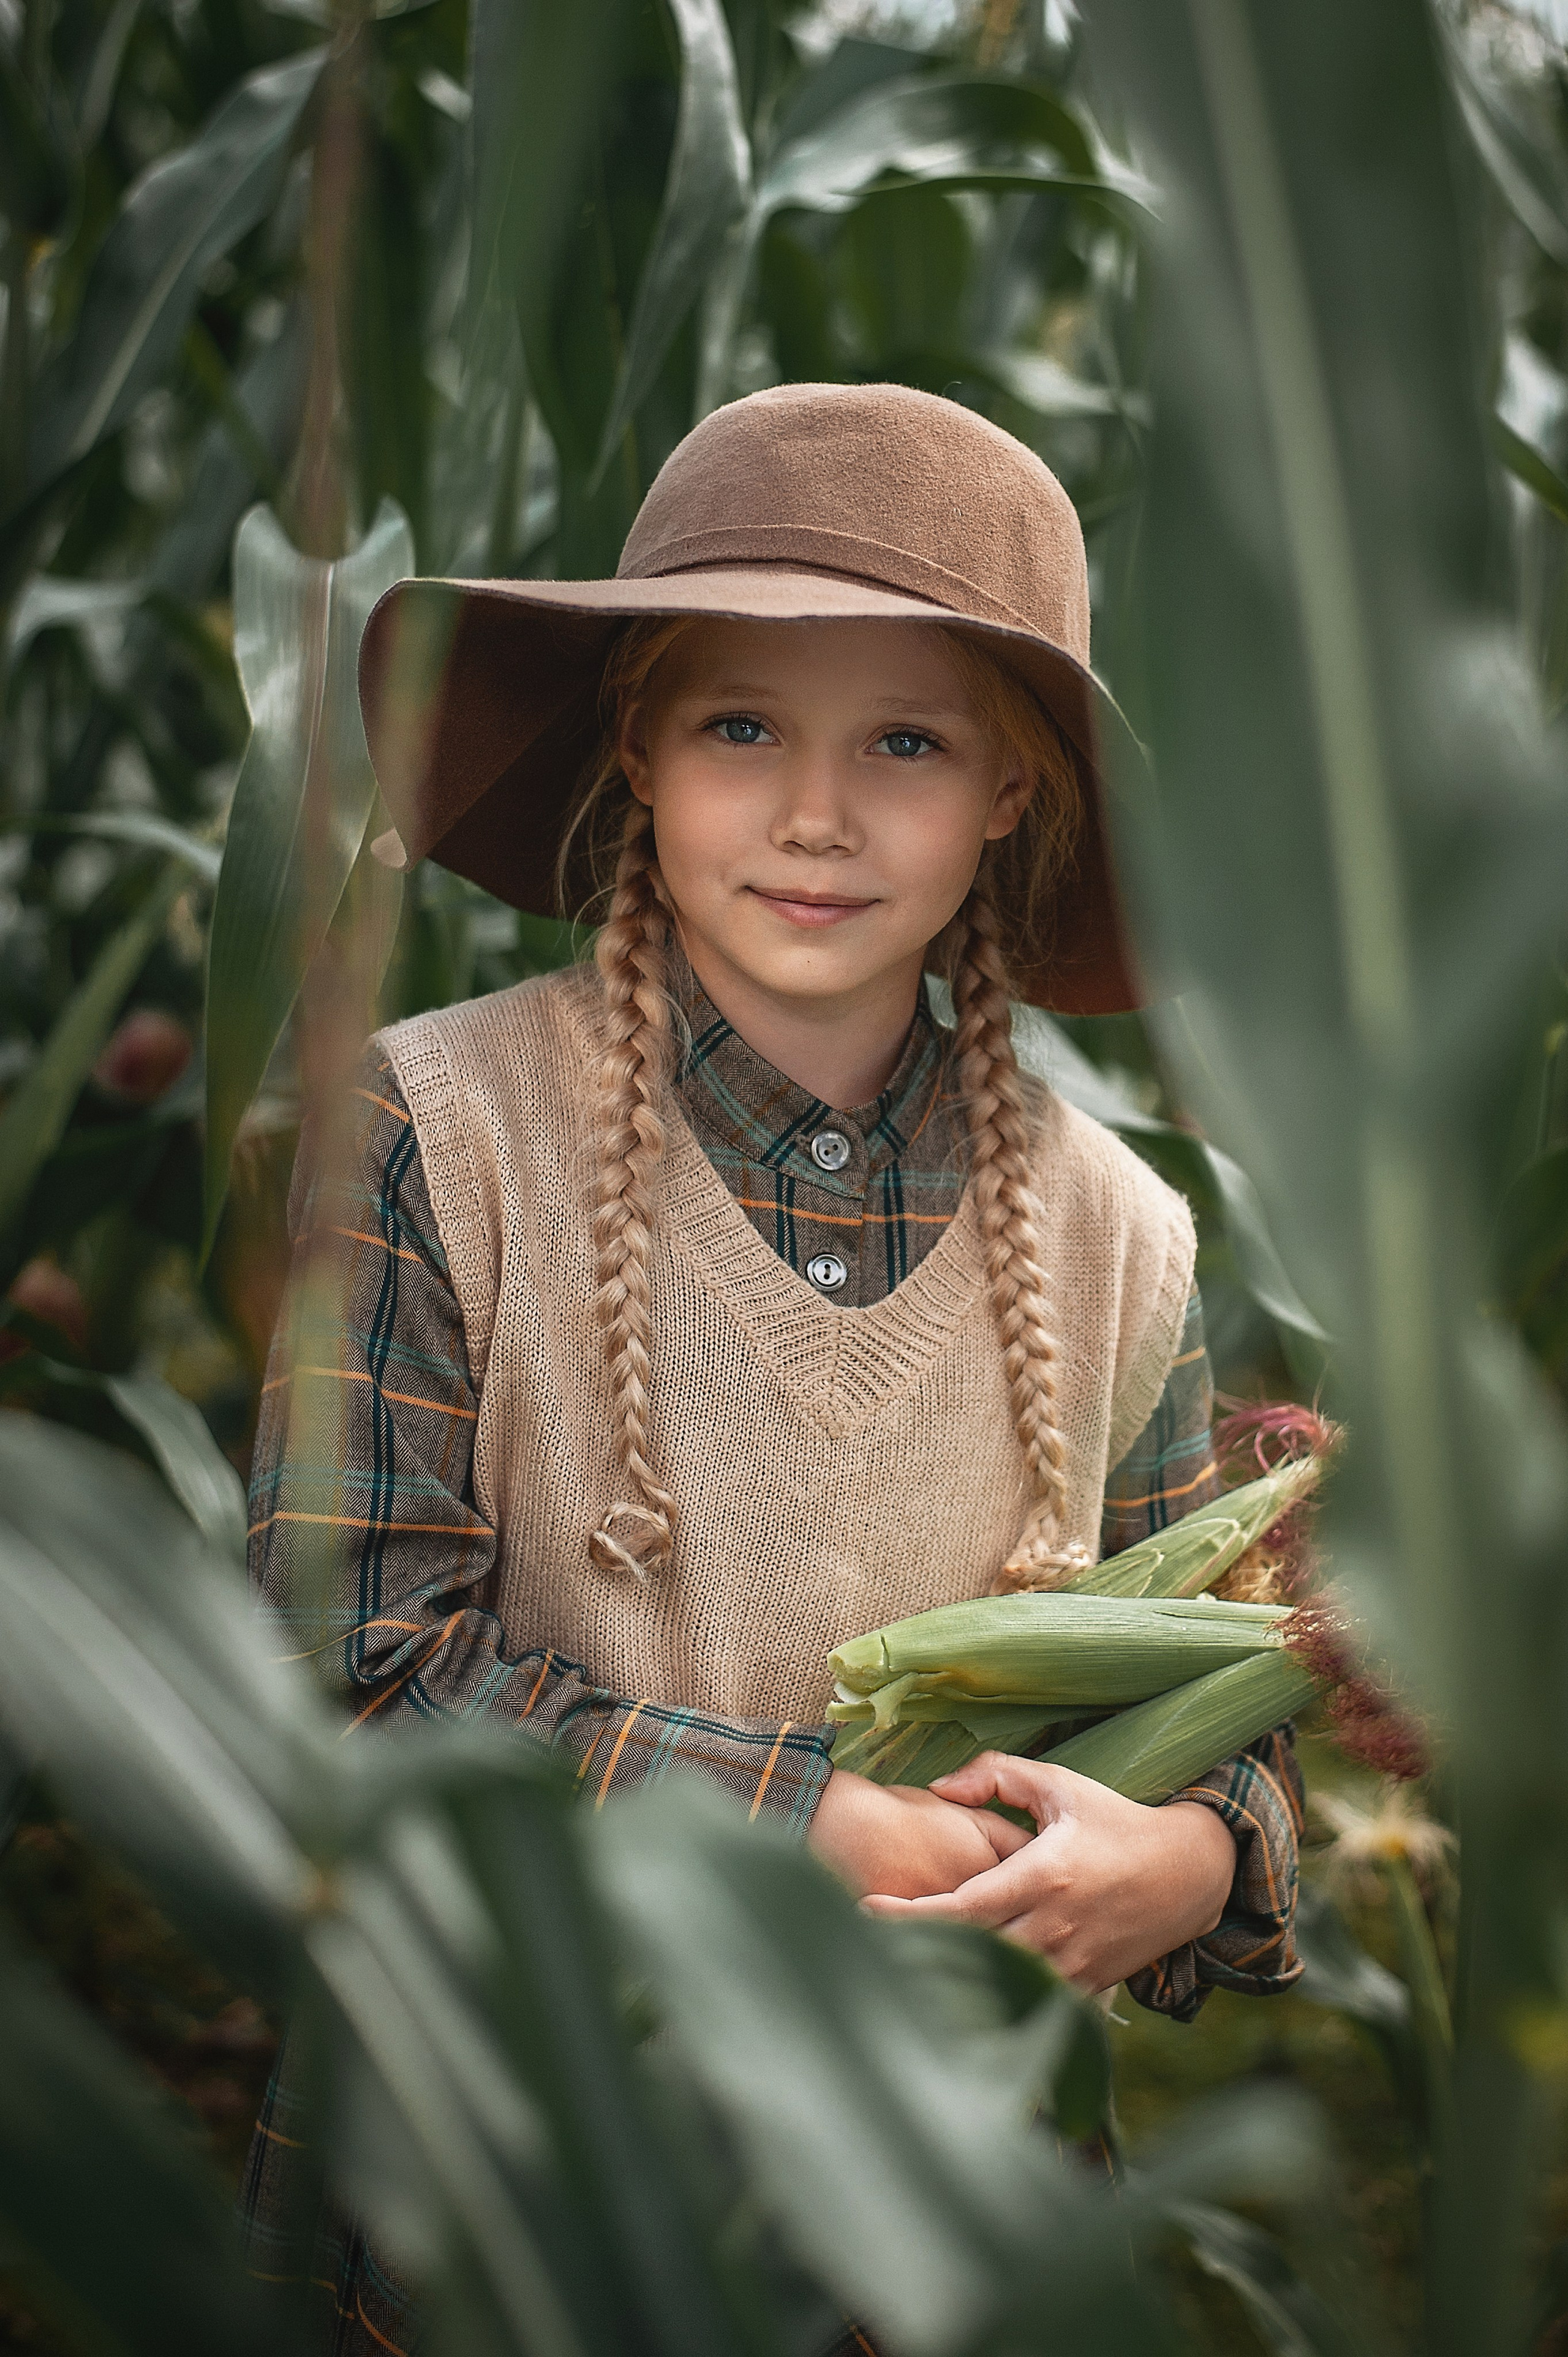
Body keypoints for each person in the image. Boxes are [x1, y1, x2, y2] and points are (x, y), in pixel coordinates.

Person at [243, 383, 1303, 2354]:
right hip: (500, 2198)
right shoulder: (428, 1136)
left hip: (937, 2226)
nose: (818, 813)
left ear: (1011, 794)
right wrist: (796, 1821)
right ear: (635, 742)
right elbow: (338, 1678)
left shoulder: (1120, 1234)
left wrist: (1191, 1854)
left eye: (908, 740)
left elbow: (1213, 1663)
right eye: (745, 725)